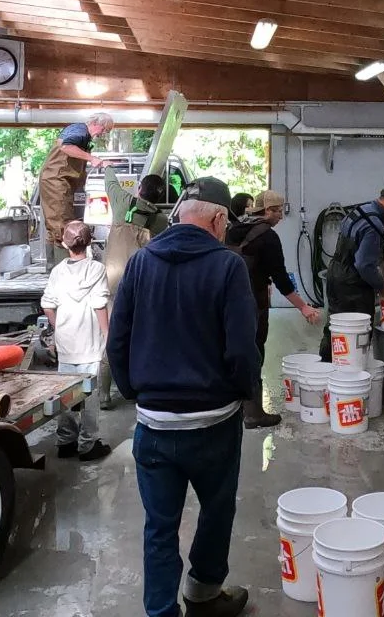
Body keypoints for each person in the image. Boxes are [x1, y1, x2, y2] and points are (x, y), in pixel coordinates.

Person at [108, 177, 259, 617]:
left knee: (160, 526)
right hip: (213, 423)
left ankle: (161, 611)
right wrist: (244, 393)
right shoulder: (228, 267)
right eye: (225, 222)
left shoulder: (140, 263)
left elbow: (117, 340)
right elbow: (242, 349)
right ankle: (203, 594)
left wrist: (136, 391)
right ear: (217, 218)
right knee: (216, 511)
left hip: (154, 426)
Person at [226, 190, 322, 430]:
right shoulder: (268, 237)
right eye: (278, 211)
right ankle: (254, 414)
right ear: (267, 211)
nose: (281, 216)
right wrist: (304, 307)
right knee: (255, 352)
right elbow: (280, 278)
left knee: (231, 351)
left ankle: (232, 408)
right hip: (253, 303)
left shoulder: (231, 230)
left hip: (225, 302)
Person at [41, 220, 113, 462]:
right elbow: (99, 304)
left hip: (66, 342)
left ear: (64, 244)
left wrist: (57, 326)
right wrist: (107, 335)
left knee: (66, 395)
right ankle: (88, 444)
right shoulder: (96, 270)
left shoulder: (58, 272)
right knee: (88, 397)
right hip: (89, 342)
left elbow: (48, 305)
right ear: (90, 243)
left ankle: (65, 441)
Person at [99, 172, 171, 410]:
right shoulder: (160, 221)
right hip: (142, 282)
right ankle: (141, 386)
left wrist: (107, 167)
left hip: (114, 281)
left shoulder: (122, 203)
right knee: (143, 335)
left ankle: (104, 395)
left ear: (139, 188)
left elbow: (110, 182)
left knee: (111, 337)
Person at [320, 184, 384, 361]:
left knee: (335, 324)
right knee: (355, 331)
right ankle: (349, 371)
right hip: (352, 284)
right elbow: (364, 264)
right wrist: (381, 285)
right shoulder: (373, 224)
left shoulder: (358, 211)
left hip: (335, 272)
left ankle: (326, 366)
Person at [38, 112, 114, 267]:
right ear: (96, 123)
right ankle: (65, 269)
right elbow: (66, 146)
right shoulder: (79, 131)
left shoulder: (83, 136)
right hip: (57, 180)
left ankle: (53, 268)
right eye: (105, 129)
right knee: (62, 225)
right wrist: (92, 158)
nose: (103, 134)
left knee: (55, 226)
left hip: (61, 181)